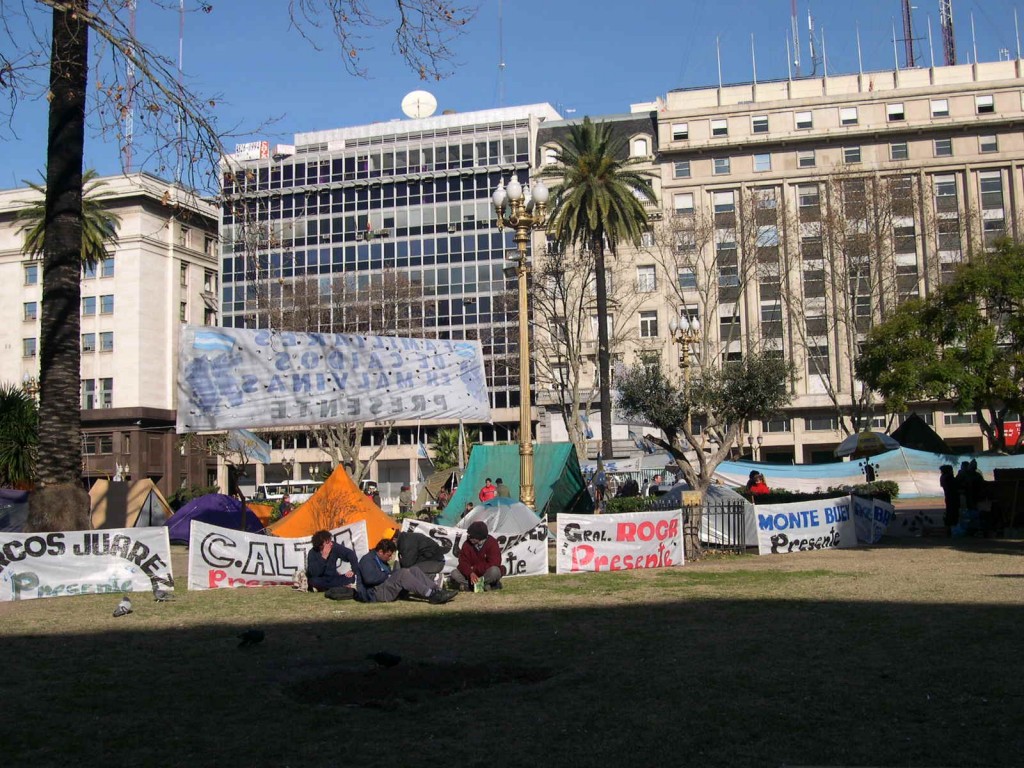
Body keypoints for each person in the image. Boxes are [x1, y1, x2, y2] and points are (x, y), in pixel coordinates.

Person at [355, 538, 456, 604]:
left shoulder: (379, 559)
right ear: (380, 552)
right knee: (402, 573)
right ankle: (431, 595)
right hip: (374, 594)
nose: (390, 558)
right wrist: (388, 576)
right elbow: (369, 579)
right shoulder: (367, 560)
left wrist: (390, 575)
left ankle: (437, 590)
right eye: (388, 555)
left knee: (414, 570)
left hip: (381, 588)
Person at [449, 521, 505, 592]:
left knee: (495, 571)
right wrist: (470, 573)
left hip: (485, 574)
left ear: (479, 537)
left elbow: (494, 563)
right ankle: (485, 586)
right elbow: (462, 562)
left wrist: (474, 569)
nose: (469, 538)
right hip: (470, 575)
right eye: (469, 535)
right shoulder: (467, 544)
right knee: (454, 573)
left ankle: (469, 587)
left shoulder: (492, 543)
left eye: (472, 536)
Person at [939, 464, 959, 534]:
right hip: (952, 496)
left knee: (949, 511)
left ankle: (949, 527)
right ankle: (951, 528)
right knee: (952, 512)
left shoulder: (943, 477)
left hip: (948, 496)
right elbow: (955, 485)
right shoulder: (948, 478)